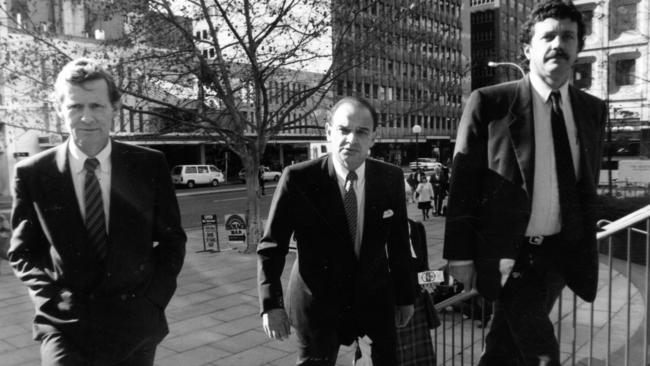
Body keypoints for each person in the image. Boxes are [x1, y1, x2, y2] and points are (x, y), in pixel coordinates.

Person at [443, 1, 606, 365]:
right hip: (508, 254)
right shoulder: (490, 103)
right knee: (541, 354)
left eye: (568, 37)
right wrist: (460, 254)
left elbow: (586, 186)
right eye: (548, 36)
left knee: (503, 347)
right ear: (528, 48)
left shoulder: (593, 110)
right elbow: (463, 183)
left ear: (578, 47)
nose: (558, 44)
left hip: (557, 255)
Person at [8, 58, 187, 365]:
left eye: (97, 106)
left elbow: (172, 241)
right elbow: (22, 252)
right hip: (65, 327)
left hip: (134, 323)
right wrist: (50, 300)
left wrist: (153, 301)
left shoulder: (148, 165)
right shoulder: (33, 173)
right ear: (59, 111)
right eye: (75, 107)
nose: (86, 117)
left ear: (113, 110)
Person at [257, 96, 415, 366]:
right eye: (343, 130)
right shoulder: (298, 179)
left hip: (373, 301)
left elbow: (399, 243)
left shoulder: (390, 178)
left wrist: (405, 297)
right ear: (329, 132)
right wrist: (271, 305)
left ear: (373, 138)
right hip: (318, 305)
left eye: (361, 132)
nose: (351, 139)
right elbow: (272, 247)